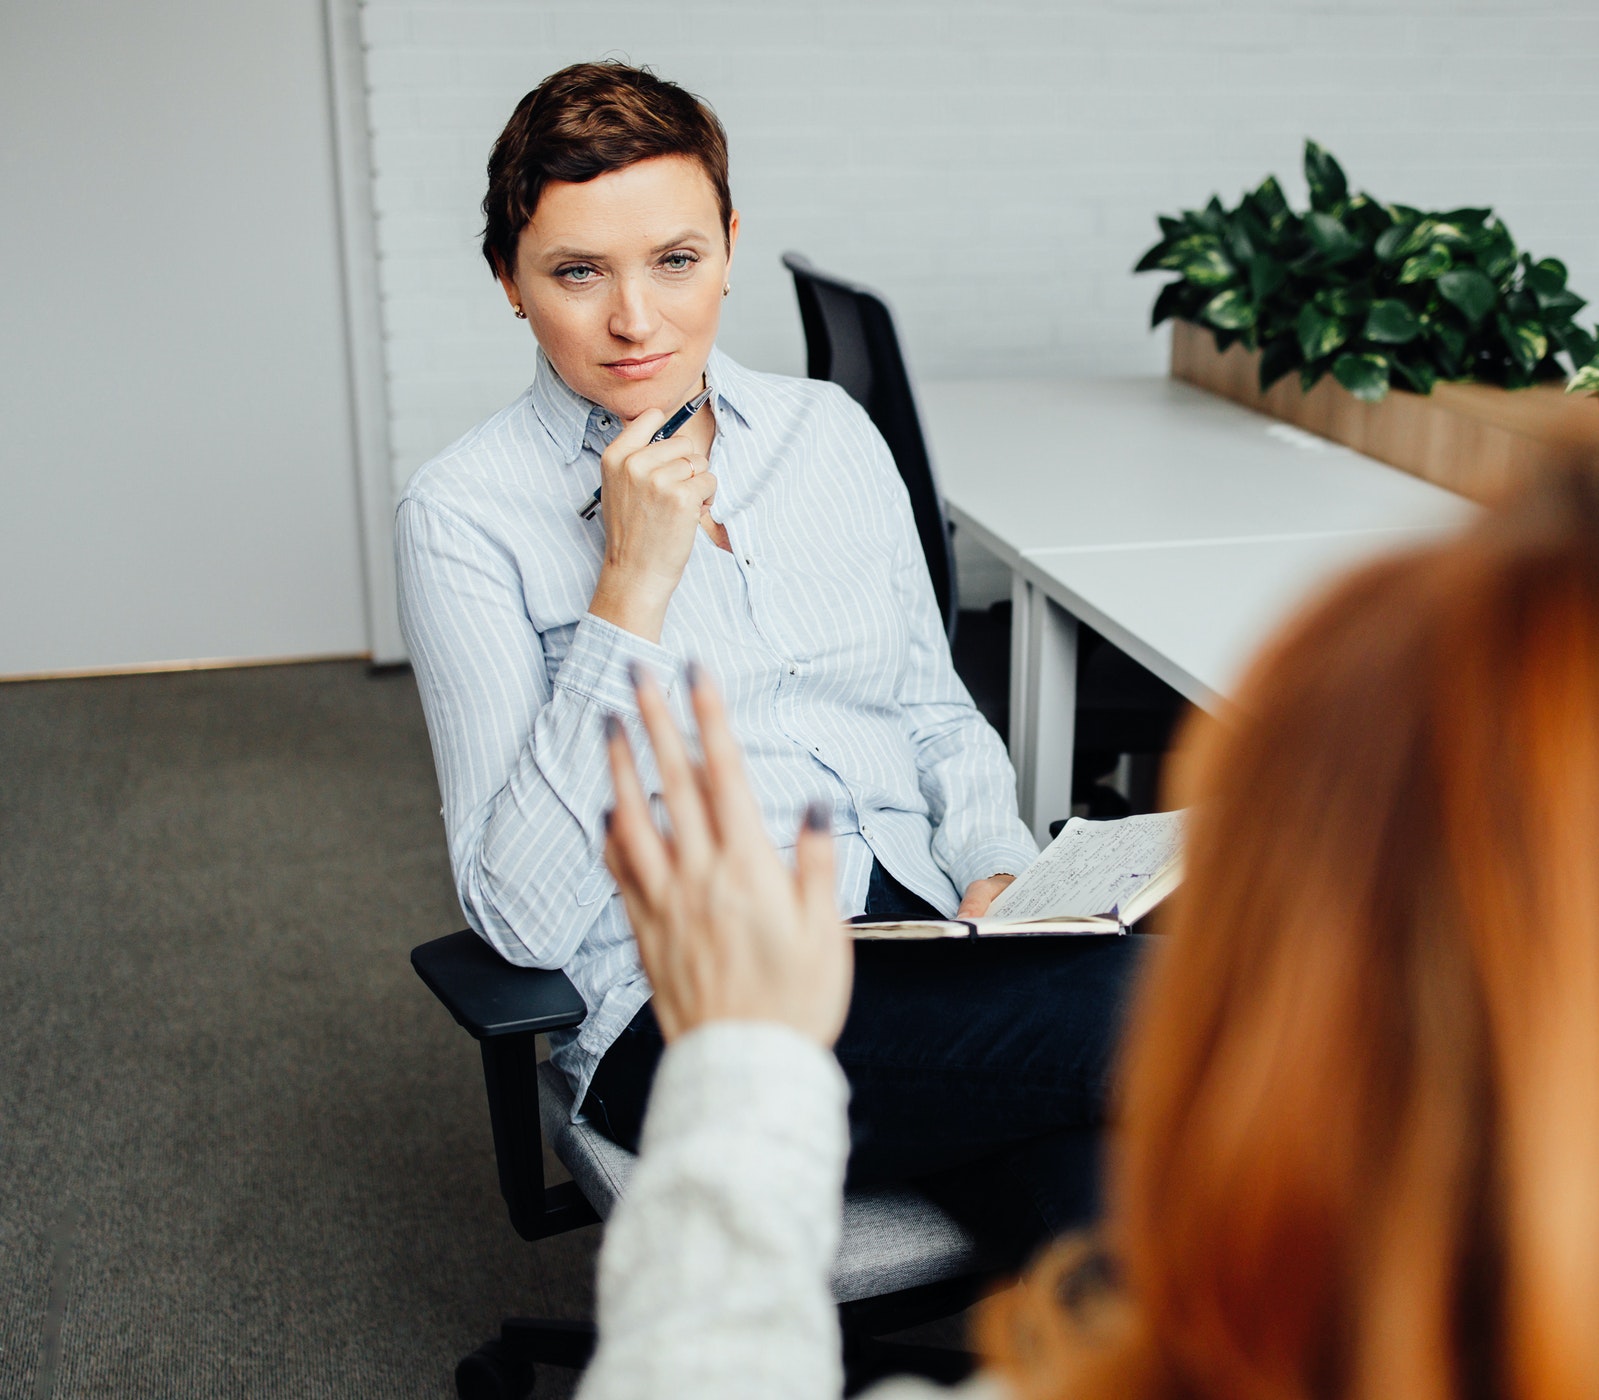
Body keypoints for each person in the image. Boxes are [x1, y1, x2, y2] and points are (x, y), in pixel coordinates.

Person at [580, 402, 1599, 1399]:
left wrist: (750, 1062)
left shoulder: (825, 445)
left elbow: (692, 1368)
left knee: (1114, 1073)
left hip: (837, 973)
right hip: (704, 980)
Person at [394, 60, 1137, 1254]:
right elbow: (518, 922)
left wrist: (997, 862)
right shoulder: (464, 512)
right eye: (577, 272)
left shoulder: (829, 436)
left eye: (675, 261)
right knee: (1171, 1002)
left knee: (1108, 1215)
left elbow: (933, 712)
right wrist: (627, 592)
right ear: (507, 281)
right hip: (692, 1010)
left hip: (925, 943)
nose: (635, 319)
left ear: (731, 246)